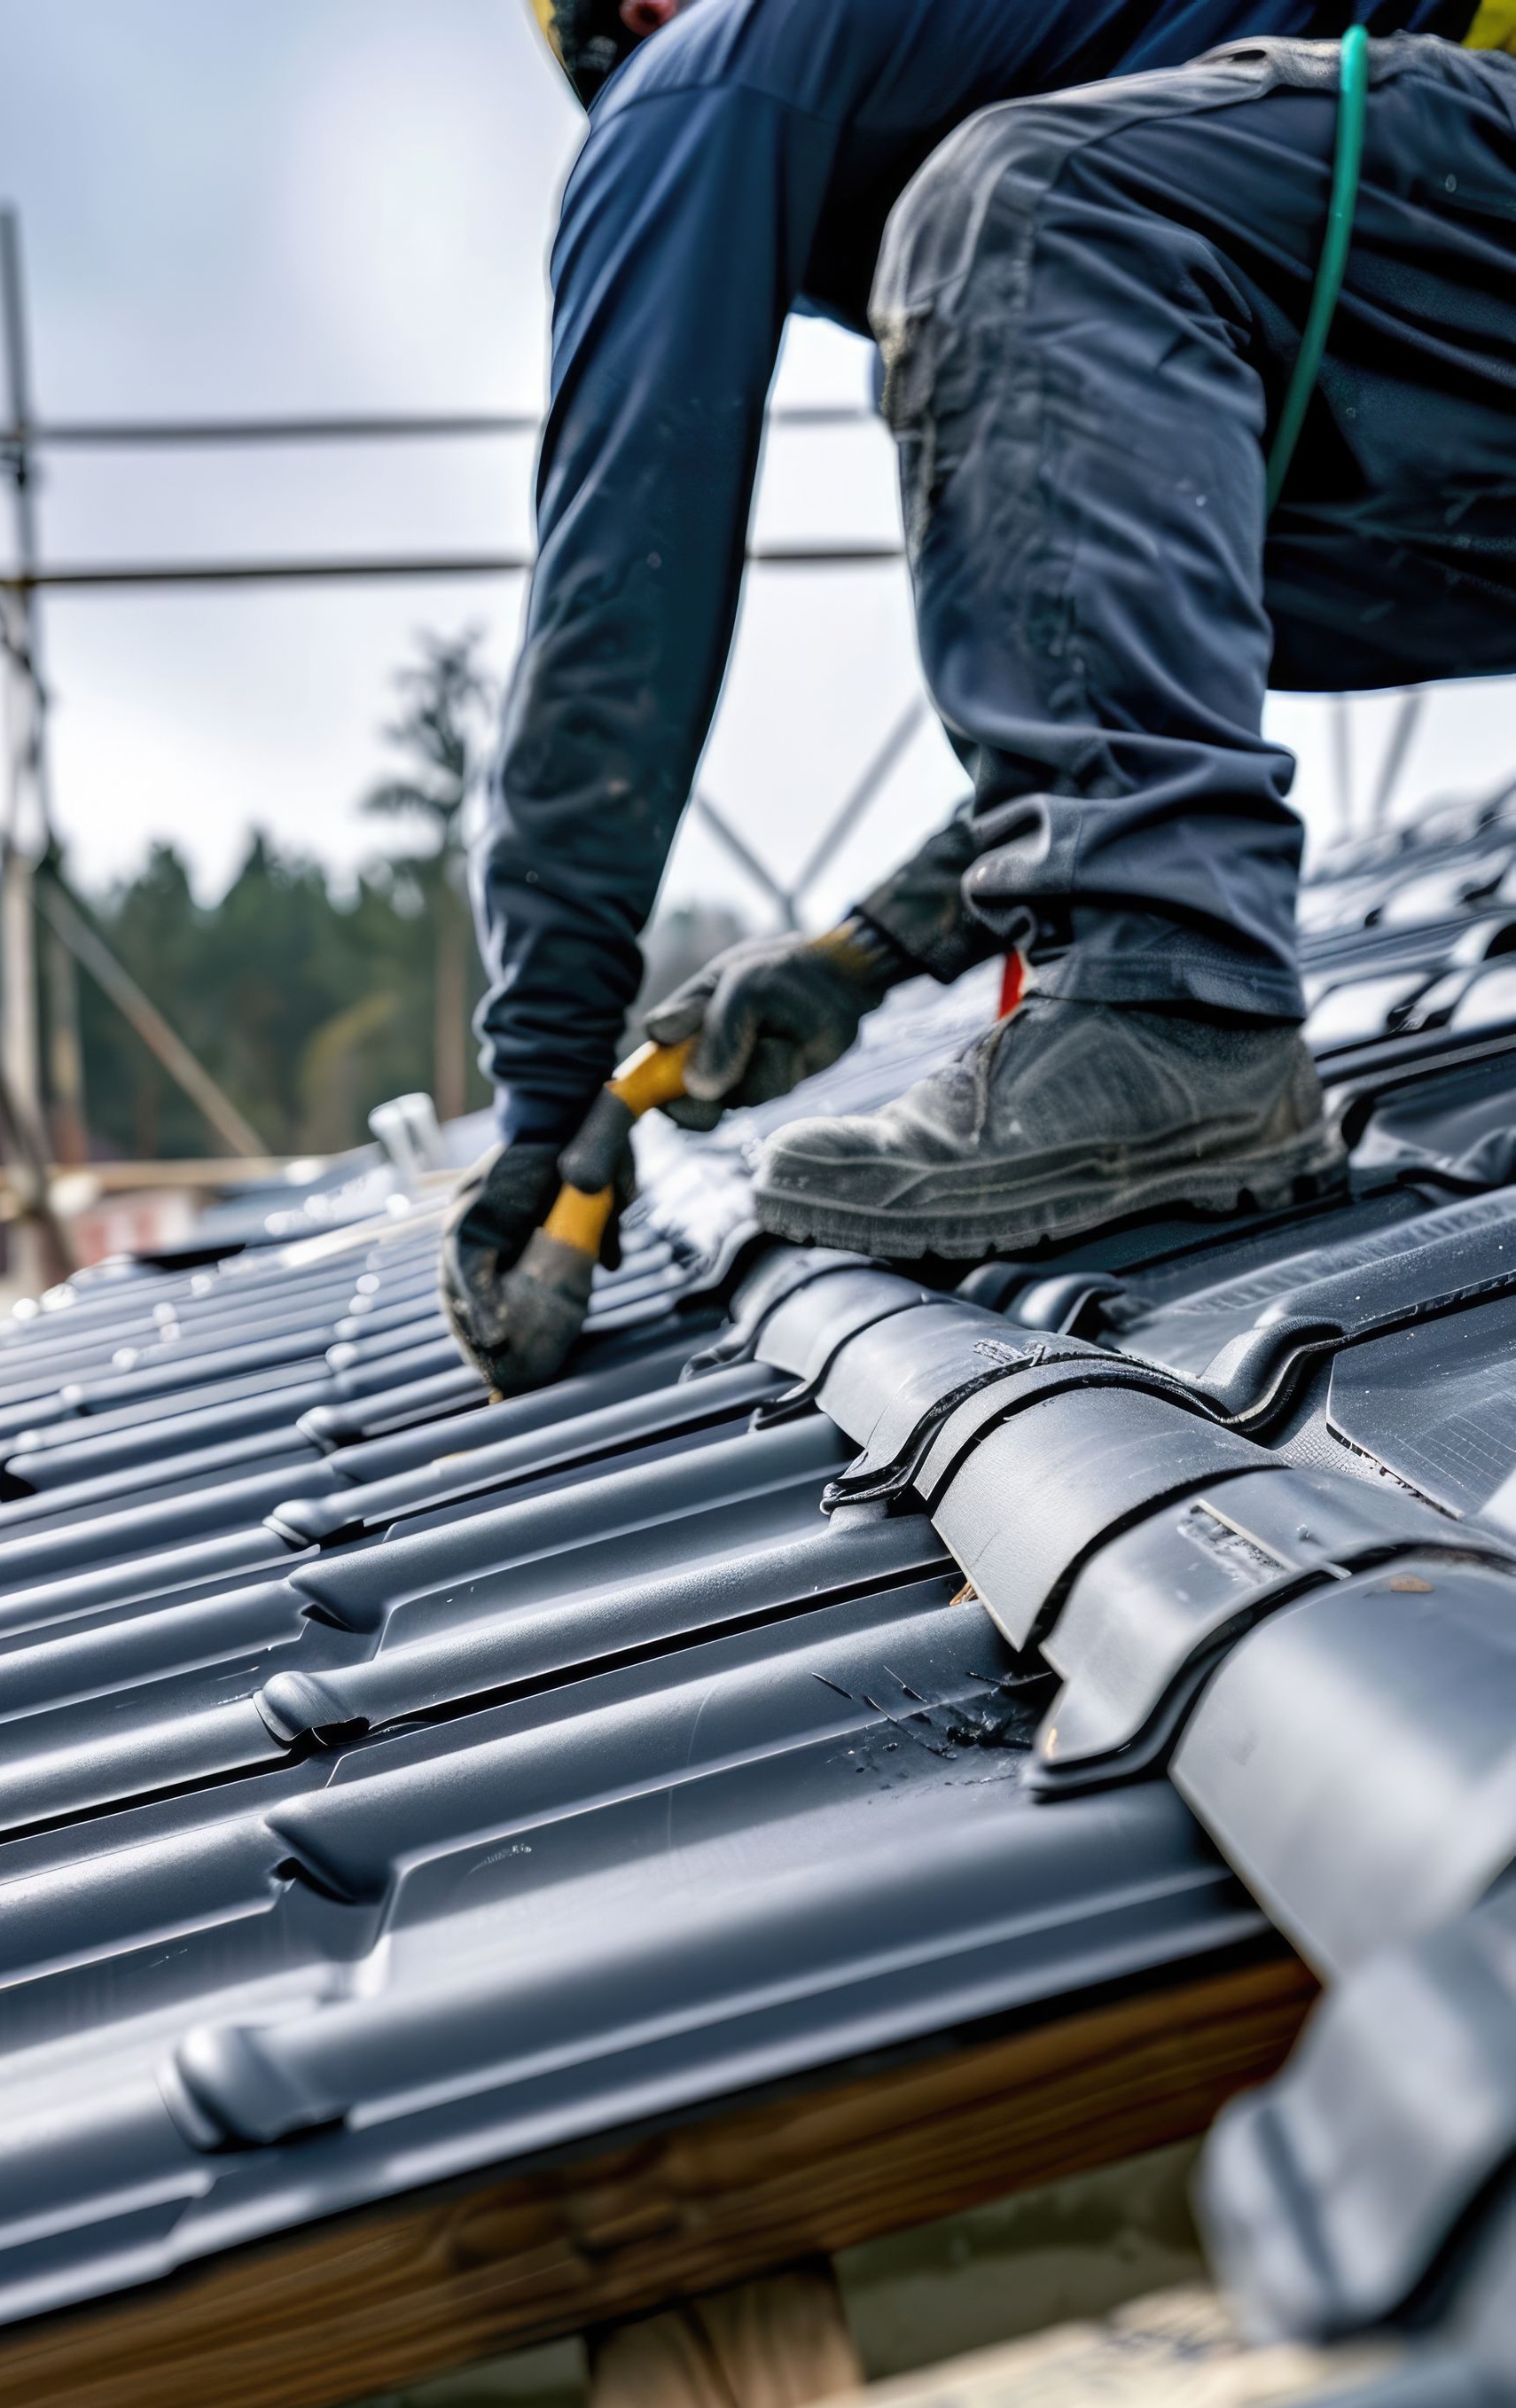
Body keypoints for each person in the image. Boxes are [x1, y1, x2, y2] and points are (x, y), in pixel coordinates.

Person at [442, 0, 1516, 1388]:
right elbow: (1132, 652)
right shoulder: (1156, 165)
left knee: (1022, 206)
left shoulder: (703, 75)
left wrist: (541, 1091)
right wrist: (870, 953)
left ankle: (1171, 1020)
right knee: (1160, 484)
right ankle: (1156, 989)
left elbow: (616, 582)